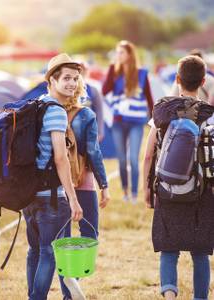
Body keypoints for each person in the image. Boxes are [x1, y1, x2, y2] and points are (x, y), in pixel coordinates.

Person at [143, 55, 214, 300]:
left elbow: (148, 155)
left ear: (177, 79)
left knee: (169, 250)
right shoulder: (209, 116)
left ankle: (170, 295)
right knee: (200, 252)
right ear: (203, 81)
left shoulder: (162, 113)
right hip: (201, 193)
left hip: (166, 189)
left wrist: (146, 190)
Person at [22, 53, 83, 300]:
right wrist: (73, 198)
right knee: (48, 253)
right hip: (52, 197)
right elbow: (61, 158)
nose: (72, 84)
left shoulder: (37, 104)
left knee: (34, 252)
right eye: (66, 78)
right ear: (52, 80)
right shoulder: (56, 111)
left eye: (76, 79)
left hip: (29, 194)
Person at [58, 72, 110, 300]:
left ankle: (68, 290)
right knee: (89, 234)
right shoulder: (86, 114)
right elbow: (93, 152)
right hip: (83, 182)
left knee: (62, 241)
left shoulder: (50, 112)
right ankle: (73, 283)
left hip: (57, 185)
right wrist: (104, 185)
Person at [102, 40, 154, 203]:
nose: (118, 55)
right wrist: (111, 69)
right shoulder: (114, 72)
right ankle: (124, 191)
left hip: (137, 121)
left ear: (130, 54)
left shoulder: (142, 73)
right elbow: (104, 91)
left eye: (121, 52)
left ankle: (134, 194)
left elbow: (149, 97)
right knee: (122, 159)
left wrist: (155, 118)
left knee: (133, 158)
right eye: (117, 53)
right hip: (118, 121)